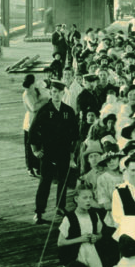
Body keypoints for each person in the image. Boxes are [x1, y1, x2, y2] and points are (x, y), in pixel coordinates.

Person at [28, 78, 79, 223]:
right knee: (45, 181)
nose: (56, 95)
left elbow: (75, 135)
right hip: (48, 152)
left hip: (63, 152)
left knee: (63, 180)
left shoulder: (68, 111)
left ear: (63, 93)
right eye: (54, 92)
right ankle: (39, 212)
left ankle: (60, 207)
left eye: (59, 92)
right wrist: (35, 151)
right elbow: (32, 132)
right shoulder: (44, 110)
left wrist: (71, 155)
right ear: (51, 92)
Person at [57, 182, 107, 267]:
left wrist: (95, 237)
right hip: (75, 254)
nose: (88, 200)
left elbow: (100, 234)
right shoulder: (69, 218)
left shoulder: (94, 215)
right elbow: (60, 242)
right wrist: (80, 239)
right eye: (84, 198)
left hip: (92, 253)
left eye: (90, 197)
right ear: (76, 199)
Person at [21, 73, 48, 178]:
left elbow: (44, 88)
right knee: (29, 144)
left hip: (39, 120)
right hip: (30, 120)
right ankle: (29, 167)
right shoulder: (26, 94)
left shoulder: (35, 89)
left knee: (38, 142)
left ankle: (37, 166)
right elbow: (33, 108)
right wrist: (44, 101)